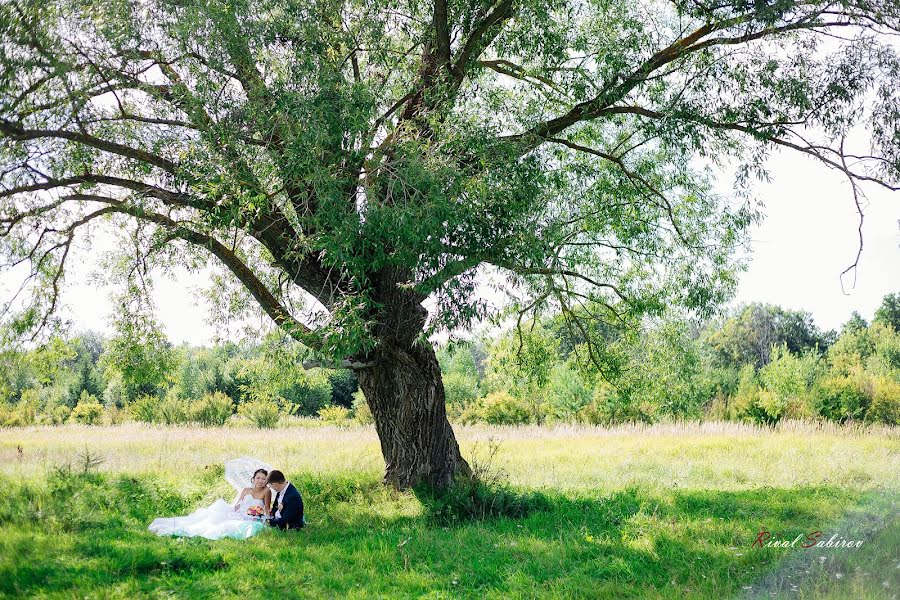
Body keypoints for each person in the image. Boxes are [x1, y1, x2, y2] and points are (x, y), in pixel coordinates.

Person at [148, 468, 271, 540]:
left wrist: (265, 517)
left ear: (266, 481)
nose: (260, 481)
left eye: (263, 479)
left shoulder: (266, 491)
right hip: (239, 513)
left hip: (252, 516)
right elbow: (237, 505)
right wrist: (234, 512)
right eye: (258, 478)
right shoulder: (245, 490)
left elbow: (266, 508)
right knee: (212, 521)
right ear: (253, 479)